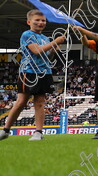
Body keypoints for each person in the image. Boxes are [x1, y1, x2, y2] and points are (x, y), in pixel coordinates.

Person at [0, 10, 66, 141]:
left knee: (40, 102)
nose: (41, 23)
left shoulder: (45, 38)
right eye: (37, 20)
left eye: (43, 21)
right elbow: (36, 51)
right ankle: (6, 130)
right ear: (29, 22)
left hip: (44, 72)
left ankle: (38, 132)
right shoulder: (27, 34)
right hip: (29, 72)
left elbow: (46, 56)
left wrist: (53, 49)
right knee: (21, 102)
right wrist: (54, 42)